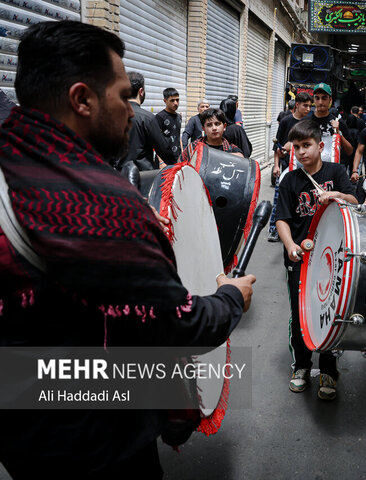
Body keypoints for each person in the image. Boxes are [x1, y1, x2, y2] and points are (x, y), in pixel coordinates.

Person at [0, 20, 256, 478]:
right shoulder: (100, 207)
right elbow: (183, 326)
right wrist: (232, 297)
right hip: (95, 441)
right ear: (82, 100)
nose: (133, 111)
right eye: (124, 97)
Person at [275, 119, 357, 401]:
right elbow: (282, 219)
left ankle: (329, 370)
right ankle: (300, 366)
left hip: (333, 257)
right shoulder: (289, 181)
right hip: (301, 259)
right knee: (301, 313)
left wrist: (336, 195)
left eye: (306, 146)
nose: (300, 152)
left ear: (321, 146)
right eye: (296, 147)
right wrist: (289, 245)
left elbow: (355, 202)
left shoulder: (336, 171)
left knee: (331, 313)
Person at [268, 92, 312, 242]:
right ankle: (273, 229)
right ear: (297, 105)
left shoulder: (309, 123)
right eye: (305, 105)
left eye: (310, 106)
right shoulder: (286, 121)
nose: (308, 109)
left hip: (304, 167)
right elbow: (277, 147)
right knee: (279, 199)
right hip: (287, 166)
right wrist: (276, 166)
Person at [119, 71, 176, 171]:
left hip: (116, 176)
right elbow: (164, 150)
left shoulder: (111, 116)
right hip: (143, 177)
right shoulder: (147, 118)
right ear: (141, 91)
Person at [305, 83, 353, 163]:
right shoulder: (305, 123)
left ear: (330, 100)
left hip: (332, 169)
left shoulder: (338, 123)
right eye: (317, 98)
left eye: (324, 98)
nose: (320, 102)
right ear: (314, 100)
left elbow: (349, 151)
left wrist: (338, 134)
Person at [180, 108, 244, 162]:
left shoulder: (232, 149)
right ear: (203, 129)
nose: (214, 128)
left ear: (224, 127)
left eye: (217, 124)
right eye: (209, 125)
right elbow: (180, 167)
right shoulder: (193, 148)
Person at [155, 87, 182, 164]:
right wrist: (161, 161)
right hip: (164, 160)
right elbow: (156, 140)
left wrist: (182, 154)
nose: (176, 103)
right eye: (172, 100)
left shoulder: (179, 117)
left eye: (177, 100)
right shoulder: (160, 117)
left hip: (177, 158)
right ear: (165, 101)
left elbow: (178, 135)